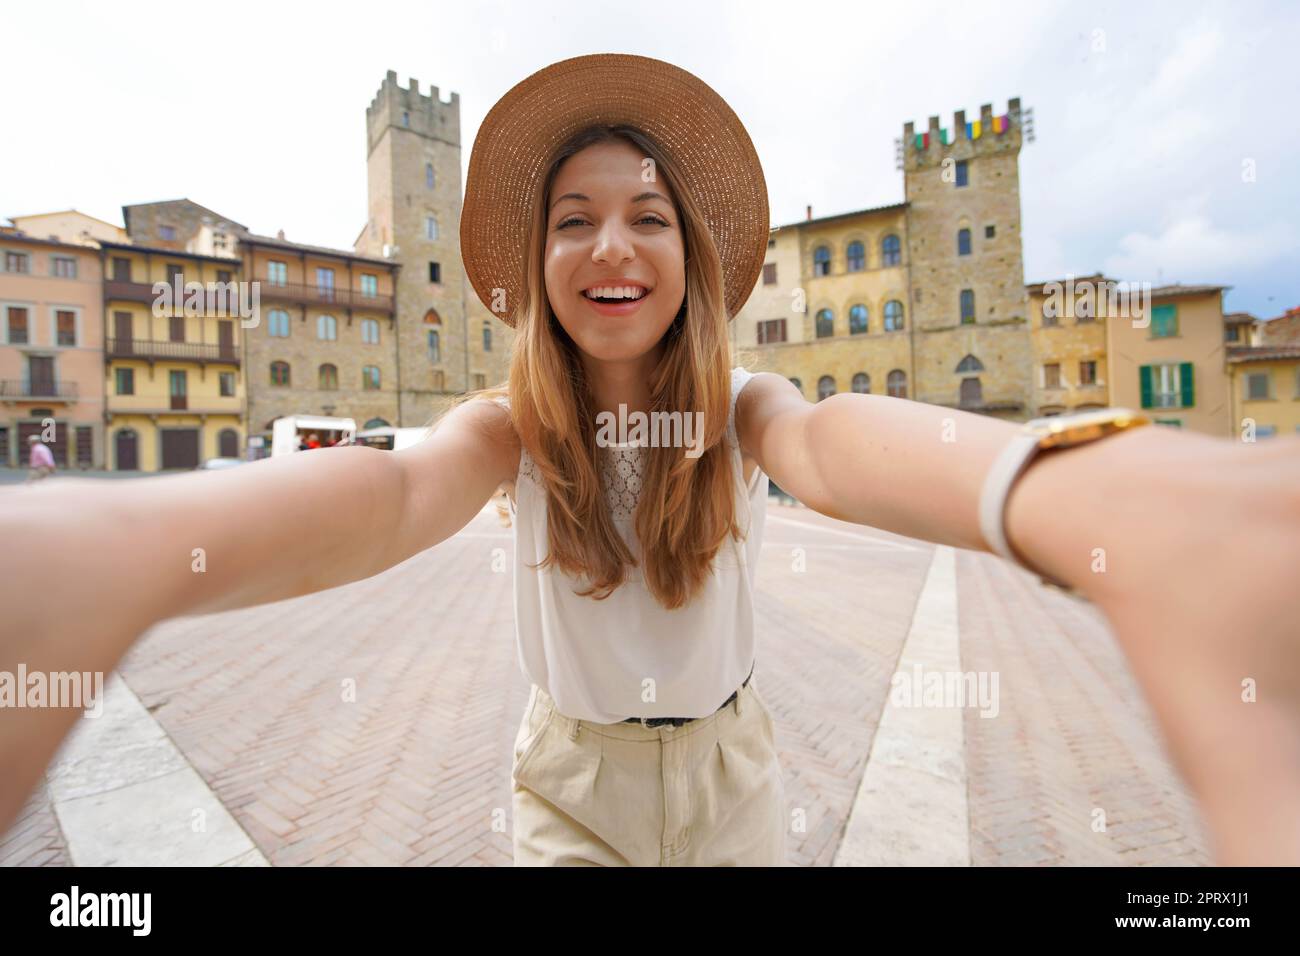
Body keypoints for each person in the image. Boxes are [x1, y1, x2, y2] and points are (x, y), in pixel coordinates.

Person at [2, 53, 1299, 866]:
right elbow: (390, 490)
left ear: (693, 260)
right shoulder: (506, 428)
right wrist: (113, 548)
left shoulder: (742, 405)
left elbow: (831, 448)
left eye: (646, 215)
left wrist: (1063, 482)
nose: (611, 245)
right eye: (574, 220)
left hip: (734, 783)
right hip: (570, 789)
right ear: (538, 266)